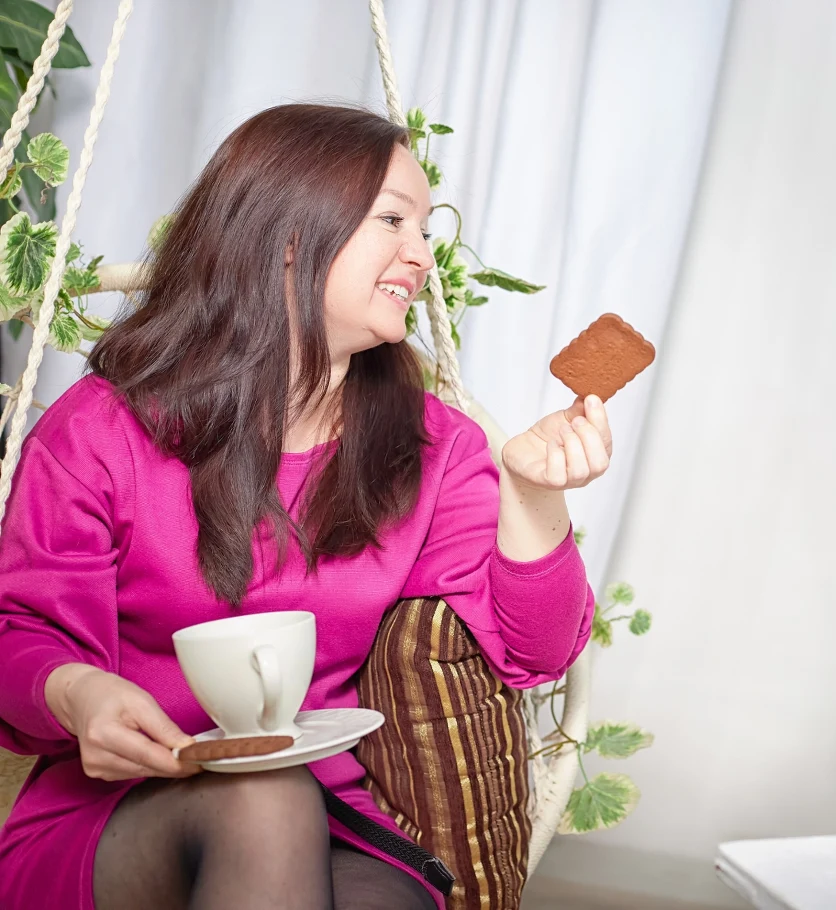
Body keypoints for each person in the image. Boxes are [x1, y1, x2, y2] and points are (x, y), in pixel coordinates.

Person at [0, 103, 608, 910]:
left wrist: (535, 499)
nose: (421, 255)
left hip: (334, 816)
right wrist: (76, 694)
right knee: (263, 800)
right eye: (393, 219)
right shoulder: (103, 428)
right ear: (287, 235)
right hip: (118, 814)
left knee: (328, 845)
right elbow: (20, 634)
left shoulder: (437, 446)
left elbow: (532, 654)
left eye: (427, 229)